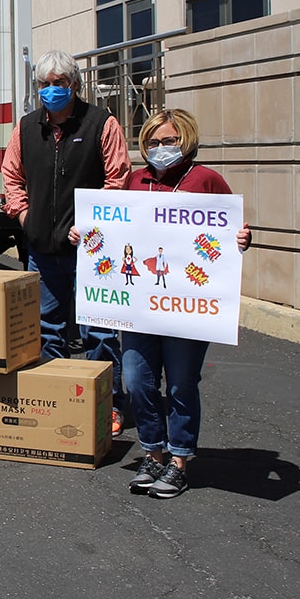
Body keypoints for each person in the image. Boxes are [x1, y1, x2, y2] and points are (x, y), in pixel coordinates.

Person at [116, 108, 252, 500]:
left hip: (186, 307)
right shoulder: (135, 181)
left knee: (179, 384)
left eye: (169, 141)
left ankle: (178, 461)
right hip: (141, 305)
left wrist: (242, 239)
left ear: (186, 140)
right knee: (136, 380)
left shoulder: (206, 180)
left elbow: (232, 231)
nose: (161, 148)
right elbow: (113, 230)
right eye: (154, 142)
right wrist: (86, 235)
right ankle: (152, 453)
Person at [0, 50, 131, 427]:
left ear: (74, 84)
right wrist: (26, 216)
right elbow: (11, 176)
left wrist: (94, 227)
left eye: (60, 83)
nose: (52, 90)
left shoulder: (101, 123)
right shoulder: (26, 128)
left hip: (92, 251)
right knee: (47, 329)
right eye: (45, 84)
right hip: (42, 249)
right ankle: (57, 399)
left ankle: (109, 405)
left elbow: (117, 181)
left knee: (100, 332)